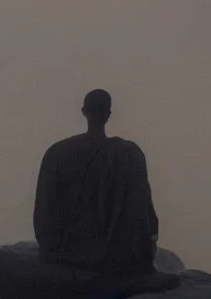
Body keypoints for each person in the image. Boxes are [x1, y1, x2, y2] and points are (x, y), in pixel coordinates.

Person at [33, 88, 159, 277]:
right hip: (117, 256)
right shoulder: (128, 155)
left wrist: (54, 249)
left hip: (66, 254)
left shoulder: (58, 153)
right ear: (108, 114)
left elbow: (43, 215)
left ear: (84, 111)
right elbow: (144, 215)